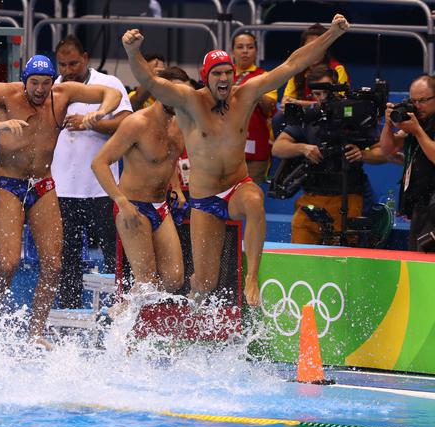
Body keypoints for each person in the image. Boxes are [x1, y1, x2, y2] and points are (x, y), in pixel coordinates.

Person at [122, 14, 350, 306]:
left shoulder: (246, 95)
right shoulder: (189, 101)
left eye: (228, 73)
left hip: (236, 186)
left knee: (255, 200)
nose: (225, 79)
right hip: (205, 199)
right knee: (205, 284)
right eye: (217, 74)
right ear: (206, 78)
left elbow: (294, 63)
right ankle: (193, 307)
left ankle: (252, 278)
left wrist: (332, 34)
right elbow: (150, 81)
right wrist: (132, 51)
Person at [0, 55, 121, 348]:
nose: (41, 90)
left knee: (54, 265)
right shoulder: (5, 92)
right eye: (35, 83)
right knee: (8, 264)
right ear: (25, 81)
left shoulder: (62, 95)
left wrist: (97, 115)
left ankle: (36, 331)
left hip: (43, 185)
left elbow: (113, 94)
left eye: (46, 83)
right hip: (9, 184)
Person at [51, 35, 133, 309]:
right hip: (62, 189)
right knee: (68, 258)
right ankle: (69, 311)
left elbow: (127, 123)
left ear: (85, 58)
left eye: (73, 63)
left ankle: (117, 312)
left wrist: (90, 124)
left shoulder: (108, 84)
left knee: (114, 255)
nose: (68, 70)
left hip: (102, 189)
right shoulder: (51, 89)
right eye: (62, 64)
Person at [92, 66, 190, 294]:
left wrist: (176, 187)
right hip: (133, 206)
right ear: (160, 91)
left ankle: (126, 309)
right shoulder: (137, 124)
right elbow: (99, 163)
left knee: (174, 280)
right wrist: (121, 202)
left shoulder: (181, 124)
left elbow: (170, 158)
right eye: (174, 92)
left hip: (161, 206)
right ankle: (122, 323)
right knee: (146, 281)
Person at [271, 64, 385, 245]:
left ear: (337, 86)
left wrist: (362, 154)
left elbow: (383, 152)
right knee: (300, 251)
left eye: (326, 91)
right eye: (317, 93)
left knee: (341, 256)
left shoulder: (354, 113)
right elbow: (278, 147)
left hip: (347, 197)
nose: (322, 98)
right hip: (311, 198)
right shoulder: (310, 115)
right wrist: (303, 148)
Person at [380, 74, 435, 251]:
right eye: (413, 100)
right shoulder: (417, 121)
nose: (417, 106)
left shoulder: (418, 127)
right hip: (421, 206)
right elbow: (388, 150)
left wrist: (417, 131)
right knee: (415, 258)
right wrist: (388, 125)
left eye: (422, 101)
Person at [231, 31, 277, 184]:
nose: (245, 51)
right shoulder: (223, 75)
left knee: (250, 195)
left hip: (255, 152)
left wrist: (254, 88)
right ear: (233, 51)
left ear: (256, 50)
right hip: (225, 149)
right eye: (240, 47)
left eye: (250, 47)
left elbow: (269, 108)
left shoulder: (265, 76)